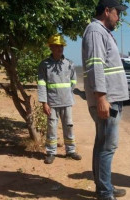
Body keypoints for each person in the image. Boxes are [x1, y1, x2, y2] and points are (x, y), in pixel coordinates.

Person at [82, 1, 129, 200]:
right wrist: (101, 97)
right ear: (107, 11)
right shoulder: (95, 31)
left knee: (102, 144)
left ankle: (104, 186)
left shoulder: (101, 31)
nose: (119, 18)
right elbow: (96, 66)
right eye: (117, 13)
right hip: (107, 100)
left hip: (109, 99)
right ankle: (104, 192)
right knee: (107, 147)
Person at [38, 34, 82, 164]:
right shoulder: (44, 65)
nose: (60, 48)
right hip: (52, 102)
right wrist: (44, 103)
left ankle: (71, 151)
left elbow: (73, 81)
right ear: (51, 47)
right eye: (57, 46)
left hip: (67, 102)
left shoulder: (69, 64)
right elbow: (41, 84)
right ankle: (51, 152)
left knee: (69, 126)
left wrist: (67, 93)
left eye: (61, 46)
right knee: (52, 127)